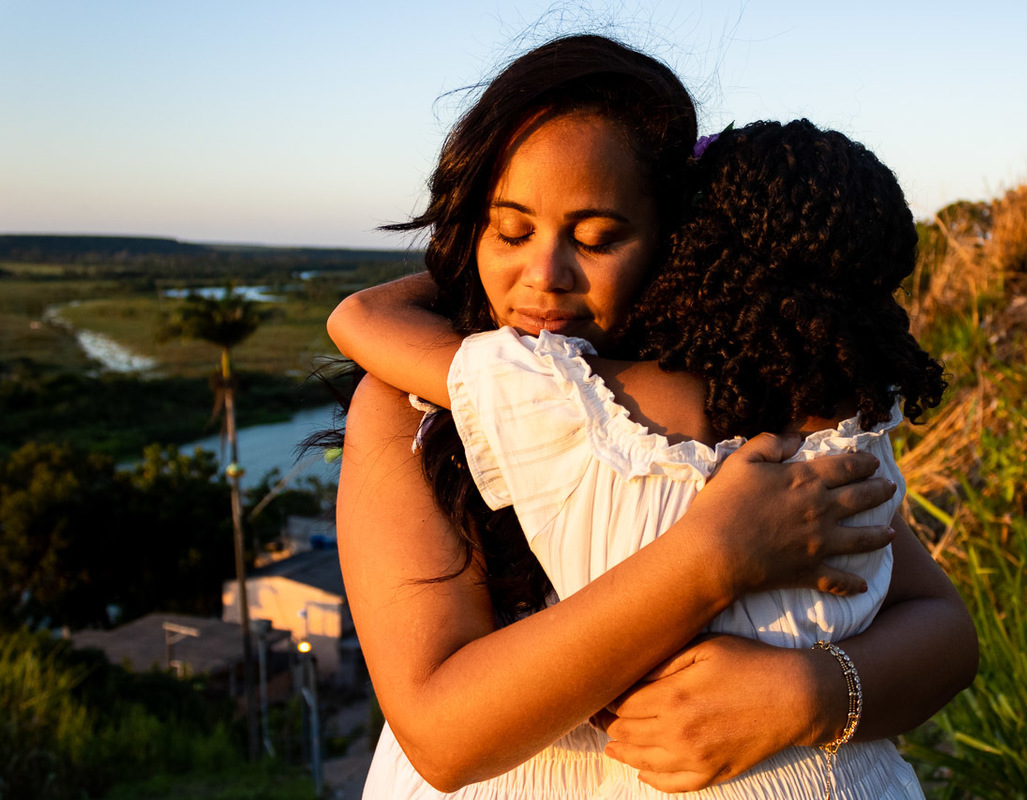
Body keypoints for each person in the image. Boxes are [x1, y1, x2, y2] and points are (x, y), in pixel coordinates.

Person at [332, 35, 977, 799]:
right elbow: (443, 738)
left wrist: (808, 692)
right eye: (509, 231)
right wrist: (713, 556)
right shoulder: (416, 406)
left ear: (675, 238)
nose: (544, 276)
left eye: (598, 238)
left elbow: (942, 629)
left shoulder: (755, 391)